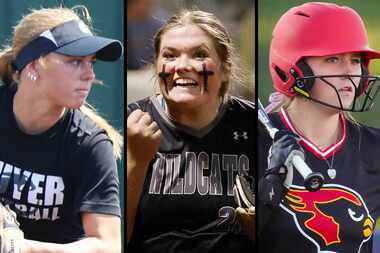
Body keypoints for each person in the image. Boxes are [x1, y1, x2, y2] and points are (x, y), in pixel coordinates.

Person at [127, 9, 254, 252]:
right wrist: (136, 161)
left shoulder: (256, 125)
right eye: (170, 56)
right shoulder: (130, 123)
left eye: (199, 55)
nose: (182, 66)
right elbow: (111, 237)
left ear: (225, 67)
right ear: (156, 66)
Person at [257, 2, 380, 252]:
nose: (350, 72)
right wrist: (269, 188)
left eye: (356, 60)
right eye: (333, 59)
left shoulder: (374, 148)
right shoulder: (257, 142)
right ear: (294, 69)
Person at [0, 6, 123, 253]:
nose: (90, 74)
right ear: (34, 65)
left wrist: (21, 248)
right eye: (75, 61)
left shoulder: (91, 144)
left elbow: (108, 246)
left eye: (91, 62)